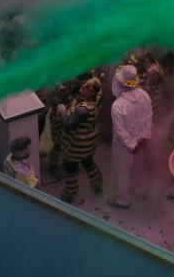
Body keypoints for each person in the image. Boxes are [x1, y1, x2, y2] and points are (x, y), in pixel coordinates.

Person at [108, 65, 153, 209]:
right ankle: (141, 191)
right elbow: (149, 118)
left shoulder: (117, 105)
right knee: (140, 167)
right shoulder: (144, 95)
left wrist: (131, 145)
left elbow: (120, 130)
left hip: (123, 146)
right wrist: (144, 138)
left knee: (123, 171)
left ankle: (123, 200)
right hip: (142, 141)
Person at [57, 77, 103, 205]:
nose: (83, 86)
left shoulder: (84, 110)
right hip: (88, 144)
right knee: (89, 163)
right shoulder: (88, 103)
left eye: (88, 87)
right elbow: (73, 106)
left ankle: (70, 194)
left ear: (93, 93)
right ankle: (97, 186)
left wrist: (62, 112)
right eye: (85, 83)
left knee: (70, 169)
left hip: (76, 146)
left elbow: (68, 125)